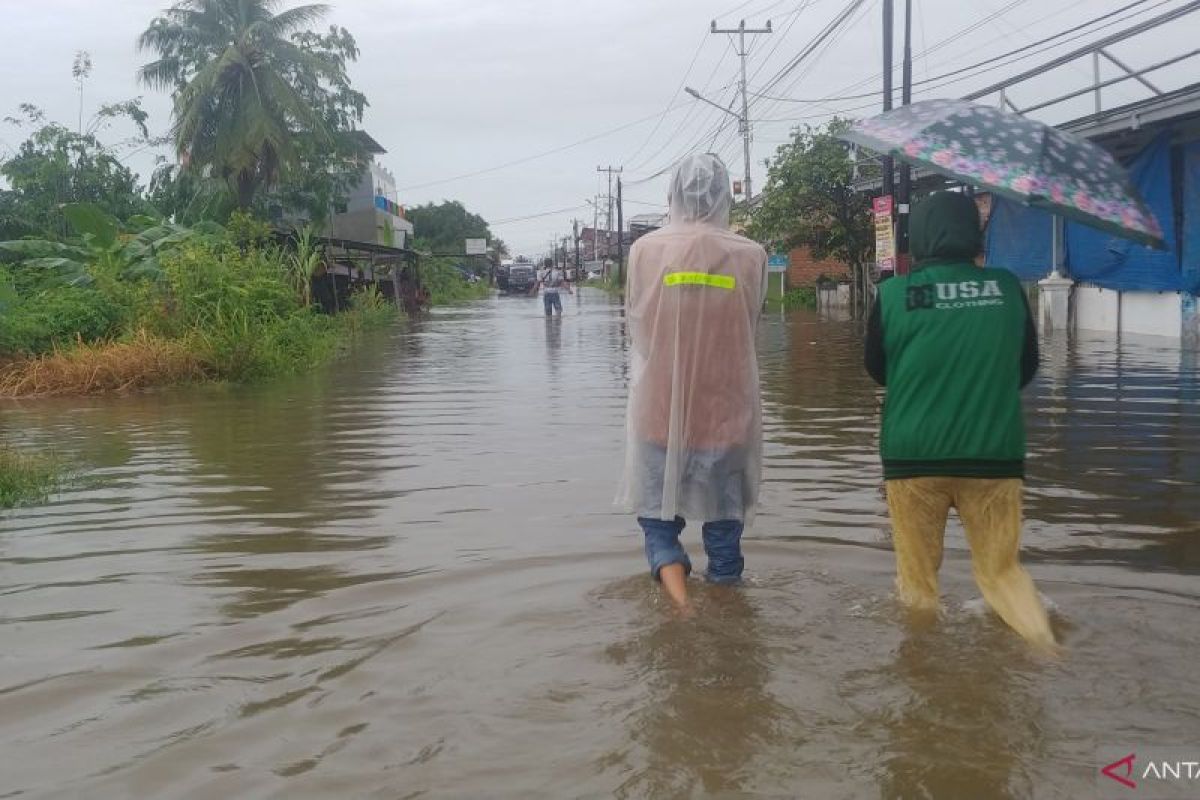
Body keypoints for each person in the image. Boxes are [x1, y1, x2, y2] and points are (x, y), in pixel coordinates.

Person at [864, 190, 1056, 649]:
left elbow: (877, 369)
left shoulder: (892, 295)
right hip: (993, 456)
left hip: (913, 459)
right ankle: (1046, 651)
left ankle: (923, 671)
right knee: (1001, 575)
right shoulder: (1008, 289)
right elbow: (1025, 368)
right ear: (975, 234)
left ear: (919, 239)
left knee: (918, 584)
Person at [616, 153, 767, 610]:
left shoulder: (645, 251)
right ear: (725, 196)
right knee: (724, 530)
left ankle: (682, 610)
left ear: (673, 196)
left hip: (660, 412)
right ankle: (726, 620)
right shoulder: (751, 255)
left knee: (659, 524)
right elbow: (750, 327)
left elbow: (639, 333)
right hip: (727, 415)